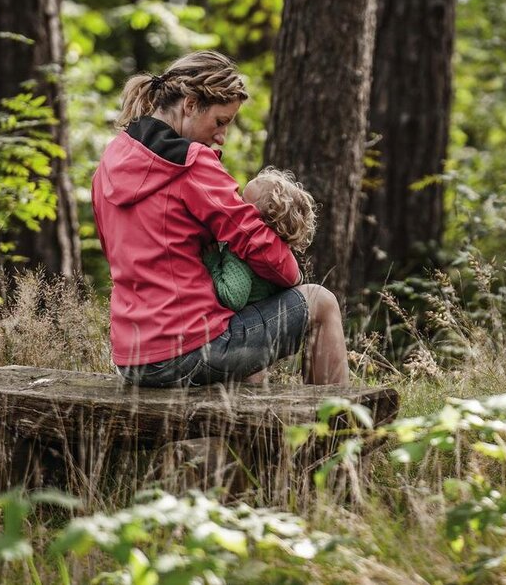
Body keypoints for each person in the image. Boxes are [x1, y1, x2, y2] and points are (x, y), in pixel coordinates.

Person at [92, 50, 348, 387]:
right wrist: (294, 274)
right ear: (190, 104)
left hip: (133, 358)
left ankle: (250, 439)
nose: (222, 136)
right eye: (220, 121)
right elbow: (258, 245)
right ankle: (341, 433)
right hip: (189, 352)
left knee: (244, 344)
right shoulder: (190, 163)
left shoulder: (110, 161)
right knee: (321, 302)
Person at [203, 167, 317, 311]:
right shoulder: (277, 252)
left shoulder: (241, 254)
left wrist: (213, 263)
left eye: (243, 202)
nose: (235, 203)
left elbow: (232, 298)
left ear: (262, 221)